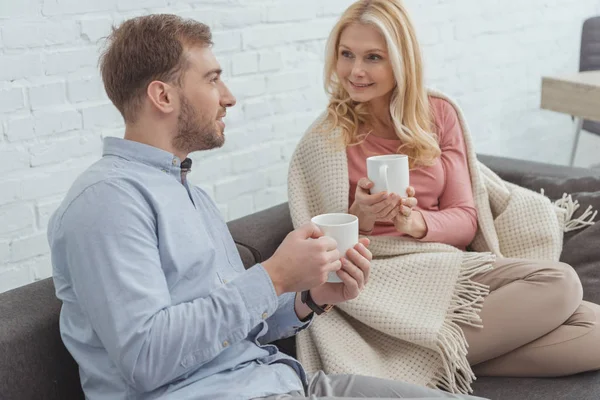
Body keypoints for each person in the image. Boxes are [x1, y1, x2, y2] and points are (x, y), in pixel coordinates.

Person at [47, 13, 487, 400]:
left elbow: (234, 326)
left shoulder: (189, 194)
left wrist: (310, 297)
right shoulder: (107, 203)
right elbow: (146, 358)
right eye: (212, 78)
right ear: (163, 96)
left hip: (279, 381)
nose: (229, 96)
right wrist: (273, 275)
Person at [291, 0, 600, 381]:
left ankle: (414, 360)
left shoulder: (438, 114)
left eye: (373, 57)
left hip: (447, 267)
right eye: (346, 55)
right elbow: (320, 254)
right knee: (560, 282)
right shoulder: (325, 140)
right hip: (381, 281)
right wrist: (362, 218)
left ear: (402, 60)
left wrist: (413, 221)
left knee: (596, 329)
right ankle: (434, 356)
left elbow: (466, 220)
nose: (355, 71)